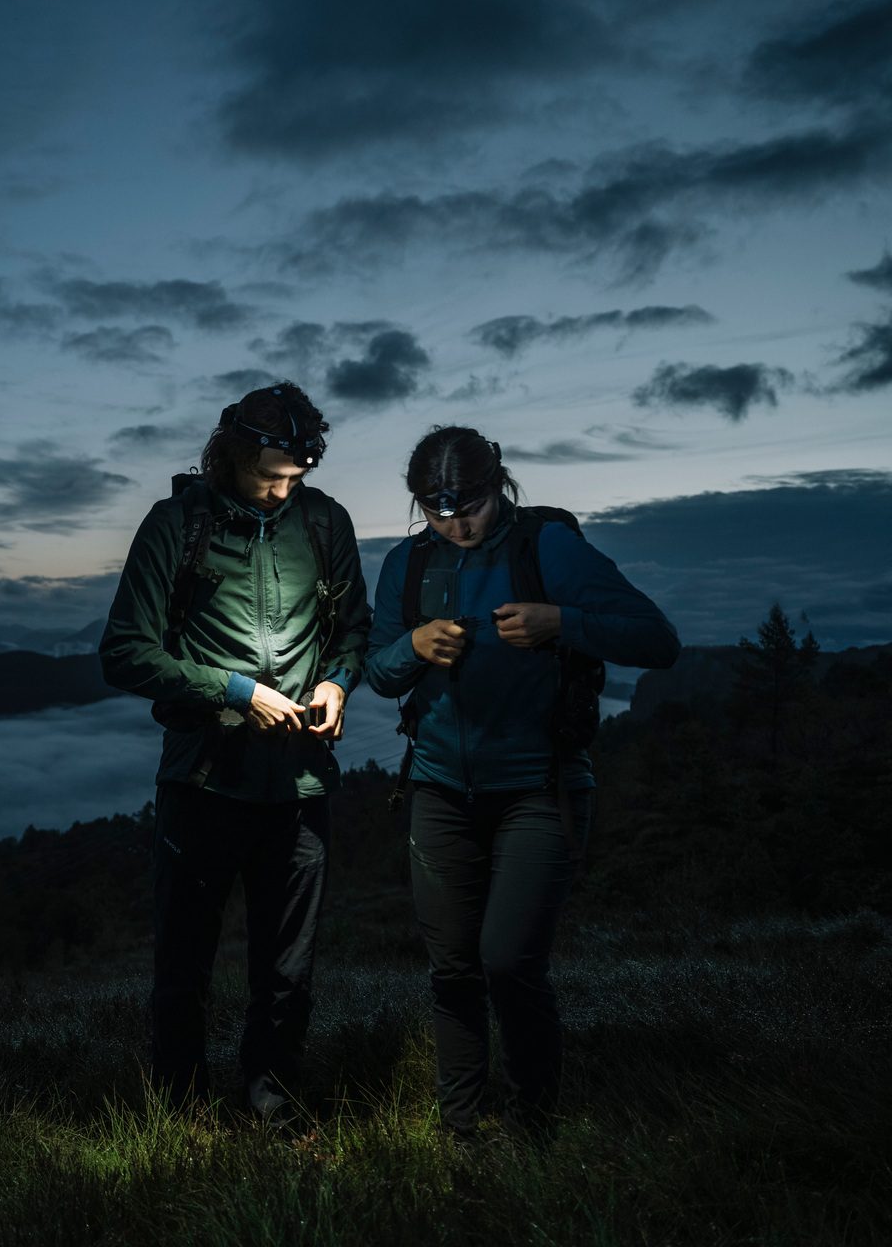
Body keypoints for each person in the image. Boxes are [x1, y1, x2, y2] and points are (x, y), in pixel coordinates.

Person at [364, 425, 679, 1140]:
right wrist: (412, 648)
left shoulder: (548, 548)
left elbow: (657, 640)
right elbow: (378, 674)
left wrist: (561, 622)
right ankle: (463, 1131)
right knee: (453, 971)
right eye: (436, 509)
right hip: (439, 791)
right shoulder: (407, 564)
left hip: (541, 788)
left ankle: (534, 1125)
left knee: (507, 961)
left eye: (467, 503)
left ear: (497, 484)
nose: (455, 522)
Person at [100, 382, 371, 1121]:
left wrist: (339, 685)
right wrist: (235, 692)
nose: (286, 487)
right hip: (203, 784)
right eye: (273, 473)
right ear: (235, 451)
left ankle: (272, 1109)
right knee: (184, 969)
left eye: (298, 475)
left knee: (287, 972)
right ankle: (181, 1114)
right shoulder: (177, 524)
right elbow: (123, 652)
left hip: (302, 788)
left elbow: (354, 629)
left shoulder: (324, 522)